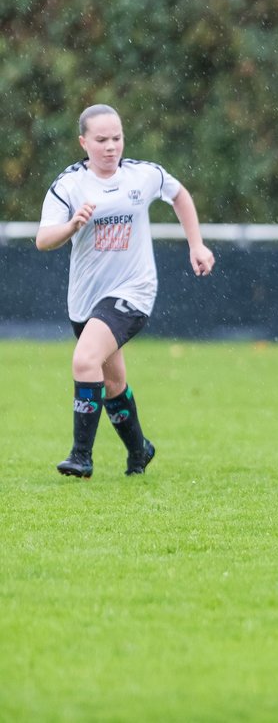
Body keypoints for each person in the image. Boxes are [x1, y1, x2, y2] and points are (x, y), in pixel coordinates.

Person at [36, 104, 216, 478]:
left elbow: (179, 194)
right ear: (83, 141)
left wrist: (196, 244)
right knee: (113, 381)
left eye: (116, 138)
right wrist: (72, 226)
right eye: (101, 140)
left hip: (133, 291)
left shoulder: (143, 175)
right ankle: (140, 450)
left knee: (85, 360)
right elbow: (43, 239)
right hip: (86, 299)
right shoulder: (69, 185)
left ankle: (80, 457)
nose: (110, 146)